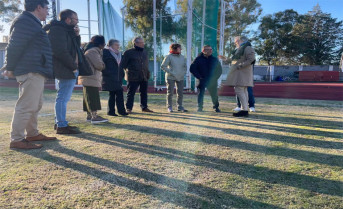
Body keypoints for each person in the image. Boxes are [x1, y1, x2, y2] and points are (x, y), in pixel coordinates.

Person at [2, 0, 56, 149]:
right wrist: (9, 66)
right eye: (46, 8)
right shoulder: (25, 22)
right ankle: (17, 139)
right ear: (38, 7)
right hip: (31, 69)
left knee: (35, 104)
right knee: (26, 105)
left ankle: (32, 133)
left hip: (36, 68)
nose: (48, 12)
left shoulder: (32, 22)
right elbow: (14, 45)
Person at [44, 9, 82, 134]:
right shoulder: (58, 30)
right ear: (67, 19)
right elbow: (60, 51)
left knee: (63, 97)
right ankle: (61, 125)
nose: (77, 22)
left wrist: (76, 35)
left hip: (68, 67)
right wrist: (73, 66)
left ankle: (60, 123)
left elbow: (76, 48)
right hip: (65, 68)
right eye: (75, 19)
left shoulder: (66, 31)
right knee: (62, 98)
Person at [79, 35, 108, 124]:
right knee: (92, 97)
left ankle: (89, 116)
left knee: (88, 97)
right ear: (100, 44)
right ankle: (94, 117)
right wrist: (104, 65)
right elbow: (99, 65)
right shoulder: (93, 51)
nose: (104, 46)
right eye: (104, 43)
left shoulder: (89, 50)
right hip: (90, 77)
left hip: (88, 77)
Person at [120, 37, 153, 114]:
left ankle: (144, 107)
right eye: (141, 42)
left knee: (144, 92)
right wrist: (130, 71)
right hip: (133, 76)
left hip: (144, 75)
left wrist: (147, 72)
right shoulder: (128, 52)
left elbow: (146, 63)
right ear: (136, 43)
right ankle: (129, 108)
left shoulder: (145, 52)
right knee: (131, 93)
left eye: (143, 42)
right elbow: (123, 65)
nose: (143, 44)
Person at [226, 36, 256, 117]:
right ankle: (244, 109)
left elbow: (251, 59)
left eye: (236, 41)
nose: (235, 43)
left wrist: (239, 66)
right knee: (244, 91)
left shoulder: (247, 48)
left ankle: (244, 110)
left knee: (239, 90)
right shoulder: (243, 48)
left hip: (242, 73)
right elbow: (236, 60)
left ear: (241, 40)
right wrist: (228, 60)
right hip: (241, 73)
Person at [190, 45, 222, 112]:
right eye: (208, 49)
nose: (210, 51)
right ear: (203, 51)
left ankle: (216, 107)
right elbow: (192, 69)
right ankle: (200, 107)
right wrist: (199, 77)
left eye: (211, 49)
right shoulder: (198, 59)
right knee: (200, 94)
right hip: (202, 80)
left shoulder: (214, 59)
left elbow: (219, 70)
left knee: (214, 94)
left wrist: (215, 78)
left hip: (212, 80)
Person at [102, 39, 128, 116]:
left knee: (115, 93)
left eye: (118, 44)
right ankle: (117, 111)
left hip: (118, 77)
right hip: (109, 77)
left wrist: (122, 74)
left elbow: (121, 65)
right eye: (116, 45)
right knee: (116, 93)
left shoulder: (119, 54)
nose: (118, 46)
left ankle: (114, 111)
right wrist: (106, 73)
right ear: (110, 45)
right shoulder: (105, 53)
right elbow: (103, 65)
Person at [161, 43, 188, 112]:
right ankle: (169, 107)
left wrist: (183, 72)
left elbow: (185, 66)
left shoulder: (182, 57)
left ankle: (180, 106)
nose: (181, 49)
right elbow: (163, 66)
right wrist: (172, 72)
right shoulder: (168, 56)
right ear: (175, 48)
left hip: (180, 77)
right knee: (170, 92)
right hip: (170, 77)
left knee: (180, 92)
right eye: (179, 48)